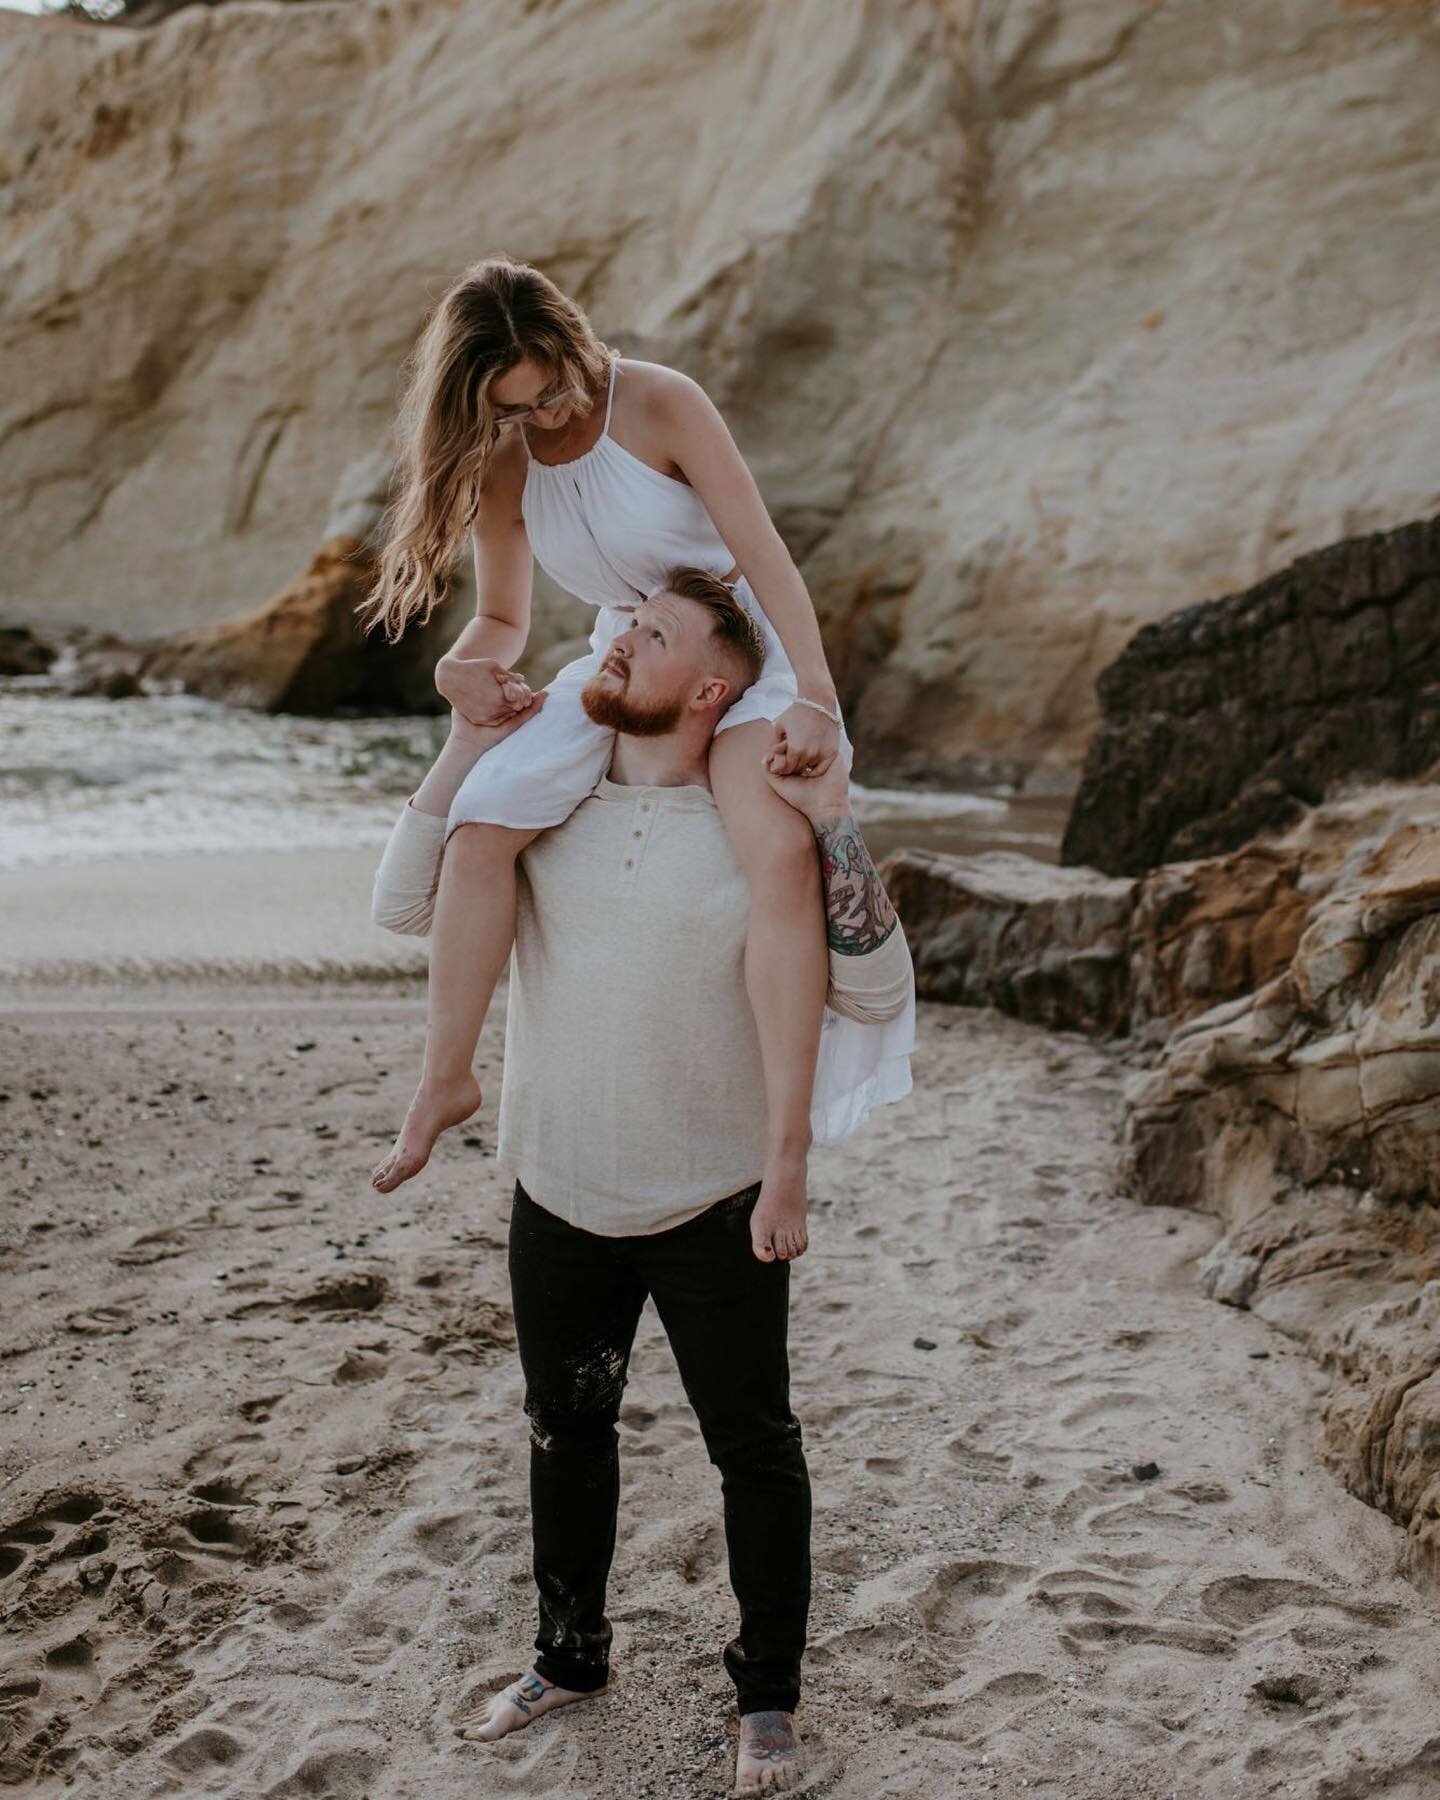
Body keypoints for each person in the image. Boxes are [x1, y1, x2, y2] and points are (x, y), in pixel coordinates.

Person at [370, 569, 912, 1792]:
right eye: (620, 624)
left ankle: (766, 1696)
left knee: (753, 1450)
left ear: (711, 687)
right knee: (567, 1432)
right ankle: (568, 1657)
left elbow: (873, 989)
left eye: (651, 635)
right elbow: (407, 902)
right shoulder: (539, 801)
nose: (615, 643)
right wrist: (466, 744)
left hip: (716, 1198)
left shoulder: (755, 827)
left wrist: (832, 820)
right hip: (557, 1186)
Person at [358, 254, 915, 1263]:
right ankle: (447, 1074)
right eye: (517, 407)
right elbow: (501, 618)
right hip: (625, 653)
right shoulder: (504, 463)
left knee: (776, 852)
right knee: (483, 826)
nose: (547, 414)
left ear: (573, 341)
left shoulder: (660, 402)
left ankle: (784, 1152)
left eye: (553, 386)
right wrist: (460, 672)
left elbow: (769, 554)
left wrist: (820, 699)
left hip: (746, 644)